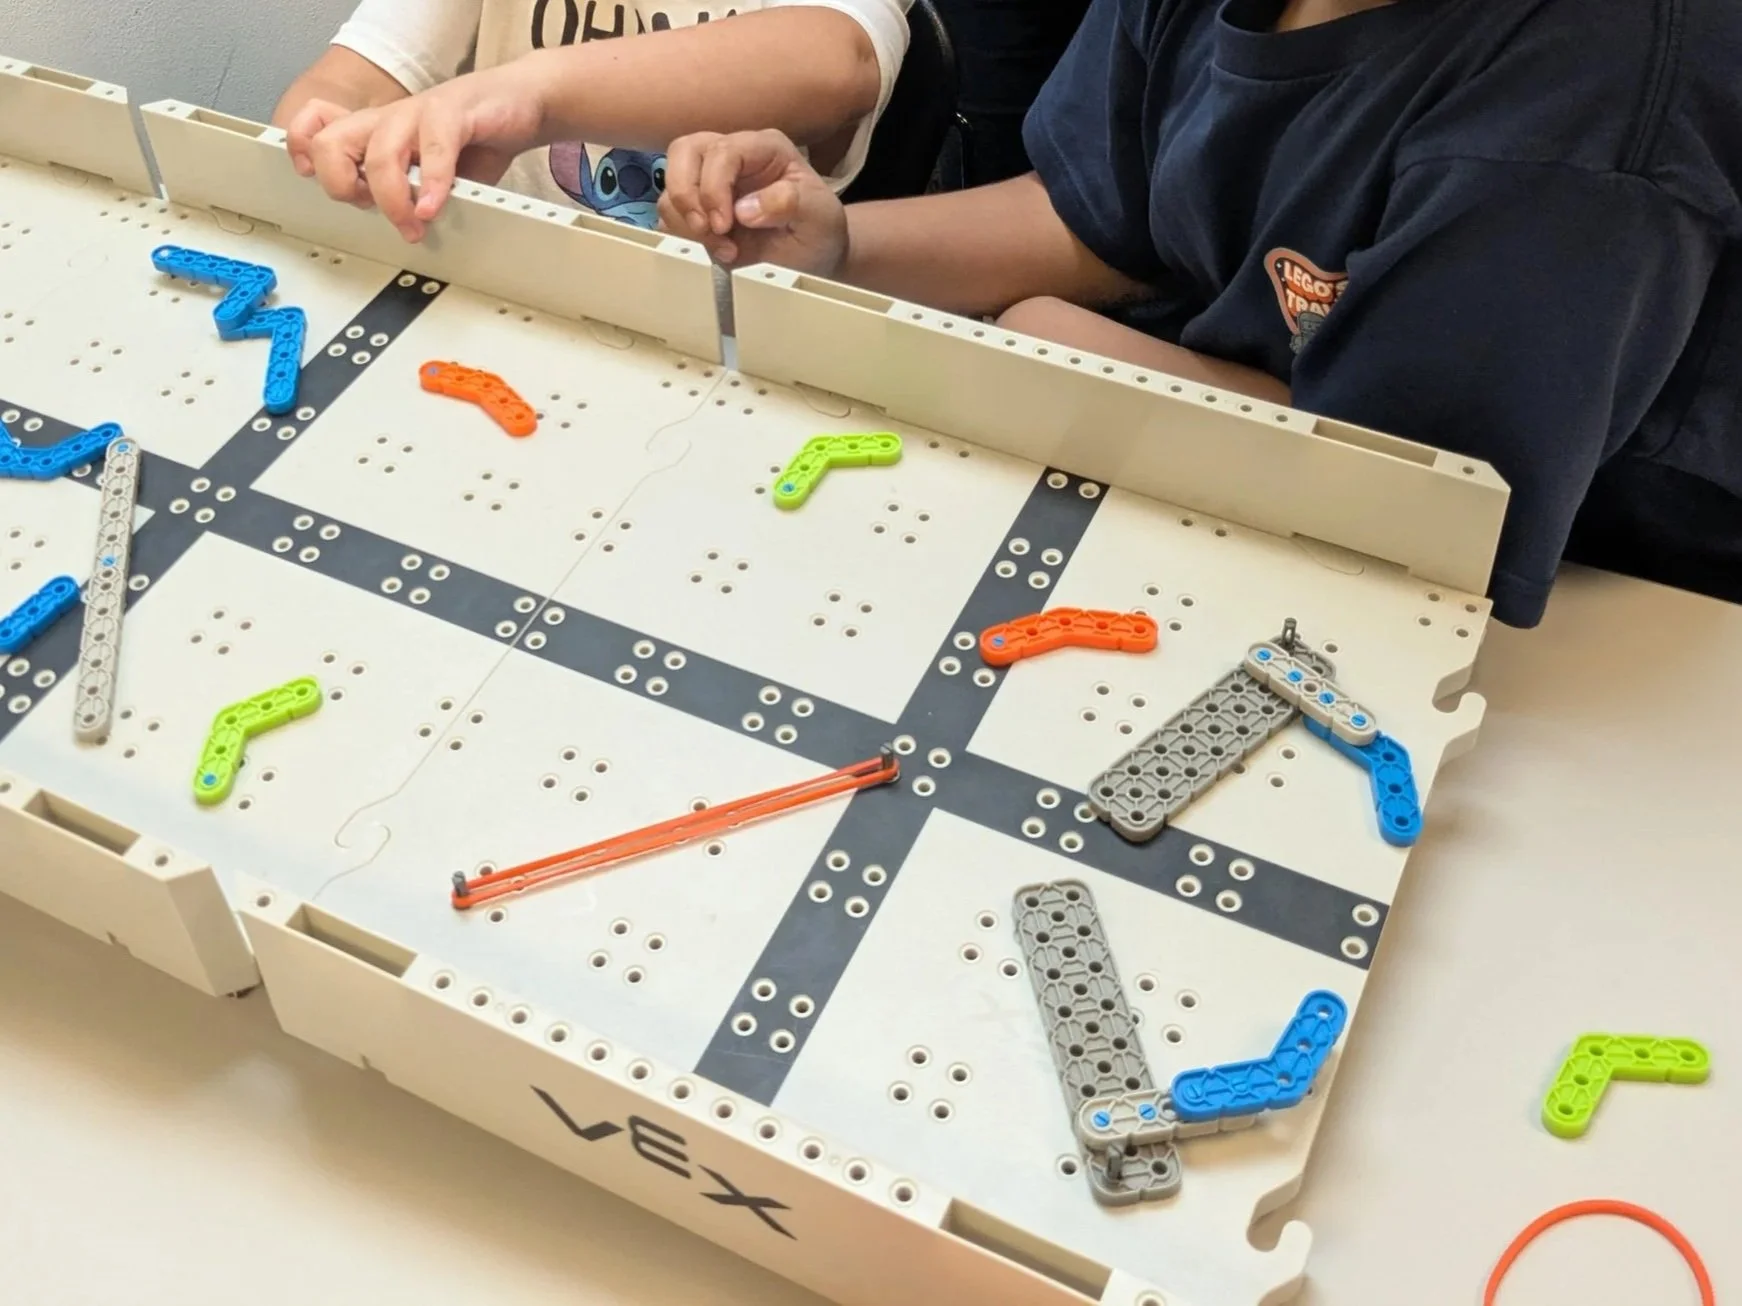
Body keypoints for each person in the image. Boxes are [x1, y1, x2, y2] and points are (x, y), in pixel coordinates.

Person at [658, 0, 1742, 627]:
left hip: (1607, 603)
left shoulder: (1573, 125)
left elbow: (1415, 513)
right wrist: (843, 245)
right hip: (1264, 444)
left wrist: (1063, 353)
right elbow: (1107, 215)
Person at [271, 0, 911, 242]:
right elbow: (347, 80)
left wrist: (532, 93)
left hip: (724, 321)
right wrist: (331, 136)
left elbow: (836, 61)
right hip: (496, 280)